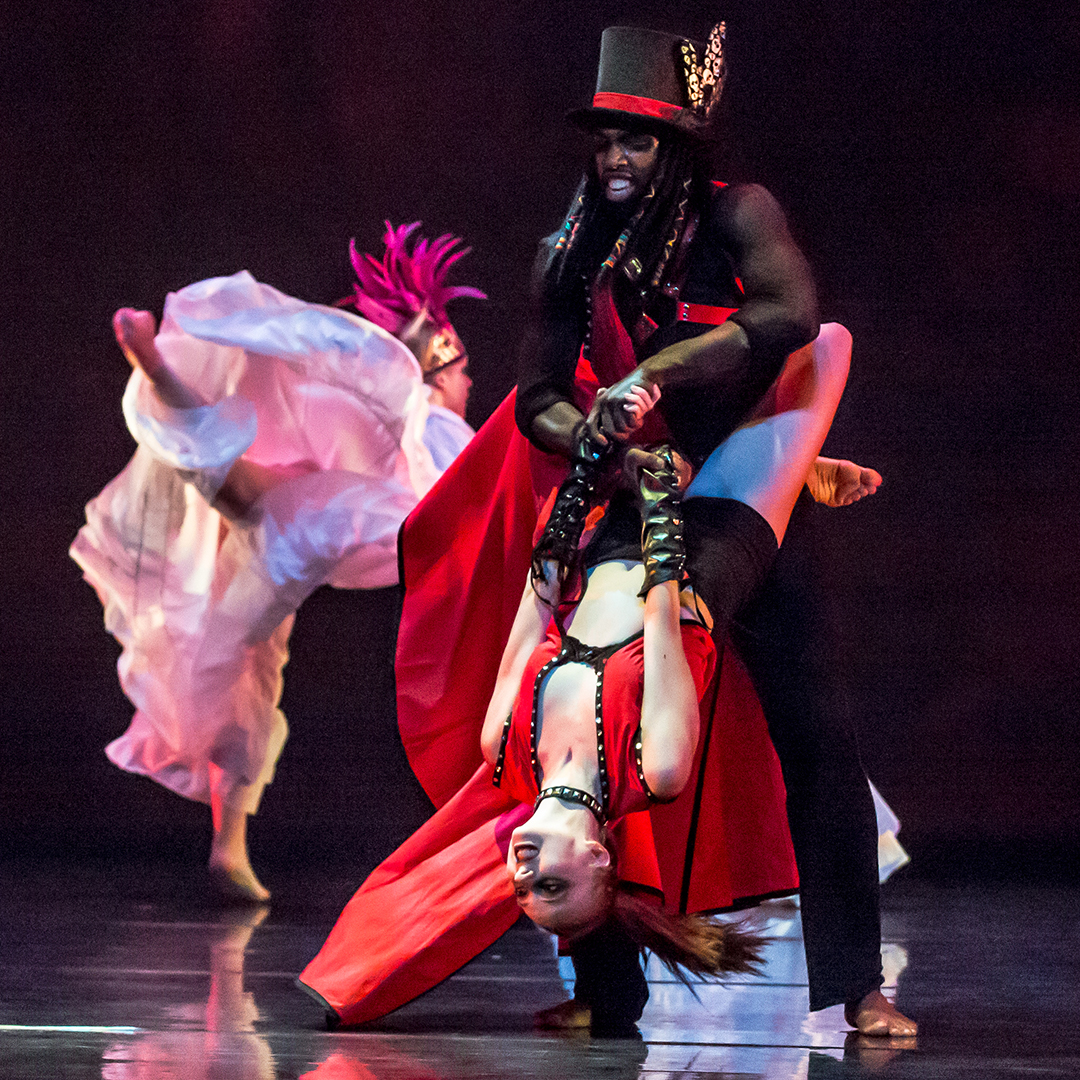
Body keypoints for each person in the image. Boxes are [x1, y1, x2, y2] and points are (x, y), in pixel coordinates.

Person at [512, 25, 915, 1036]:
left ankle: (856, 986)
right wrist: (596, 439)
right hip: (644, 486)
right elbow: (537, 399)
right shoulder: (571, 252)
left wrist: (657, 375)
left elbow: (792, 316)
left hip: (747, 487)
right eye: (605, 140)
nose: (616, 158)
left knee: (816, 734)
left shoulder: (736, 215)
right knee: (587, 737)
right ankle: (607, 989)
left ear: (678, 146)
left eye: (637, 141)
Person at [297, 319, 851, 1029]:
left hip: (609, 548)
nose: (524, 874)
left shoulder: (504, 749)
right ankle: (794, 473)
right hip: (709, 556)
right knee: (826, 346)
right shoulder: (655, 770)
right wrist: (660, 512)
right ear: (596, 857)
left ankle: (798, 466)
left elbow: (537, 605)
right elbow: (664, 625)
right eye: (551, 885)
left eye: (523, 890)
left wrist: (584, 483)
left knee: (677, 392)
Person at [70, 223, 481, 903]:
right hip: (304, 528)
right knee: (240, 530)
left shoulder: (392, 424)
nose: (471, 382)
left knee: (246, 638)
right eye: (463, 371)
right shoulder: (431, 424)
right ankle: (227, 847)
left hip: (291, 524)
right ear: (441, 370)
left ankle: (228, 847)